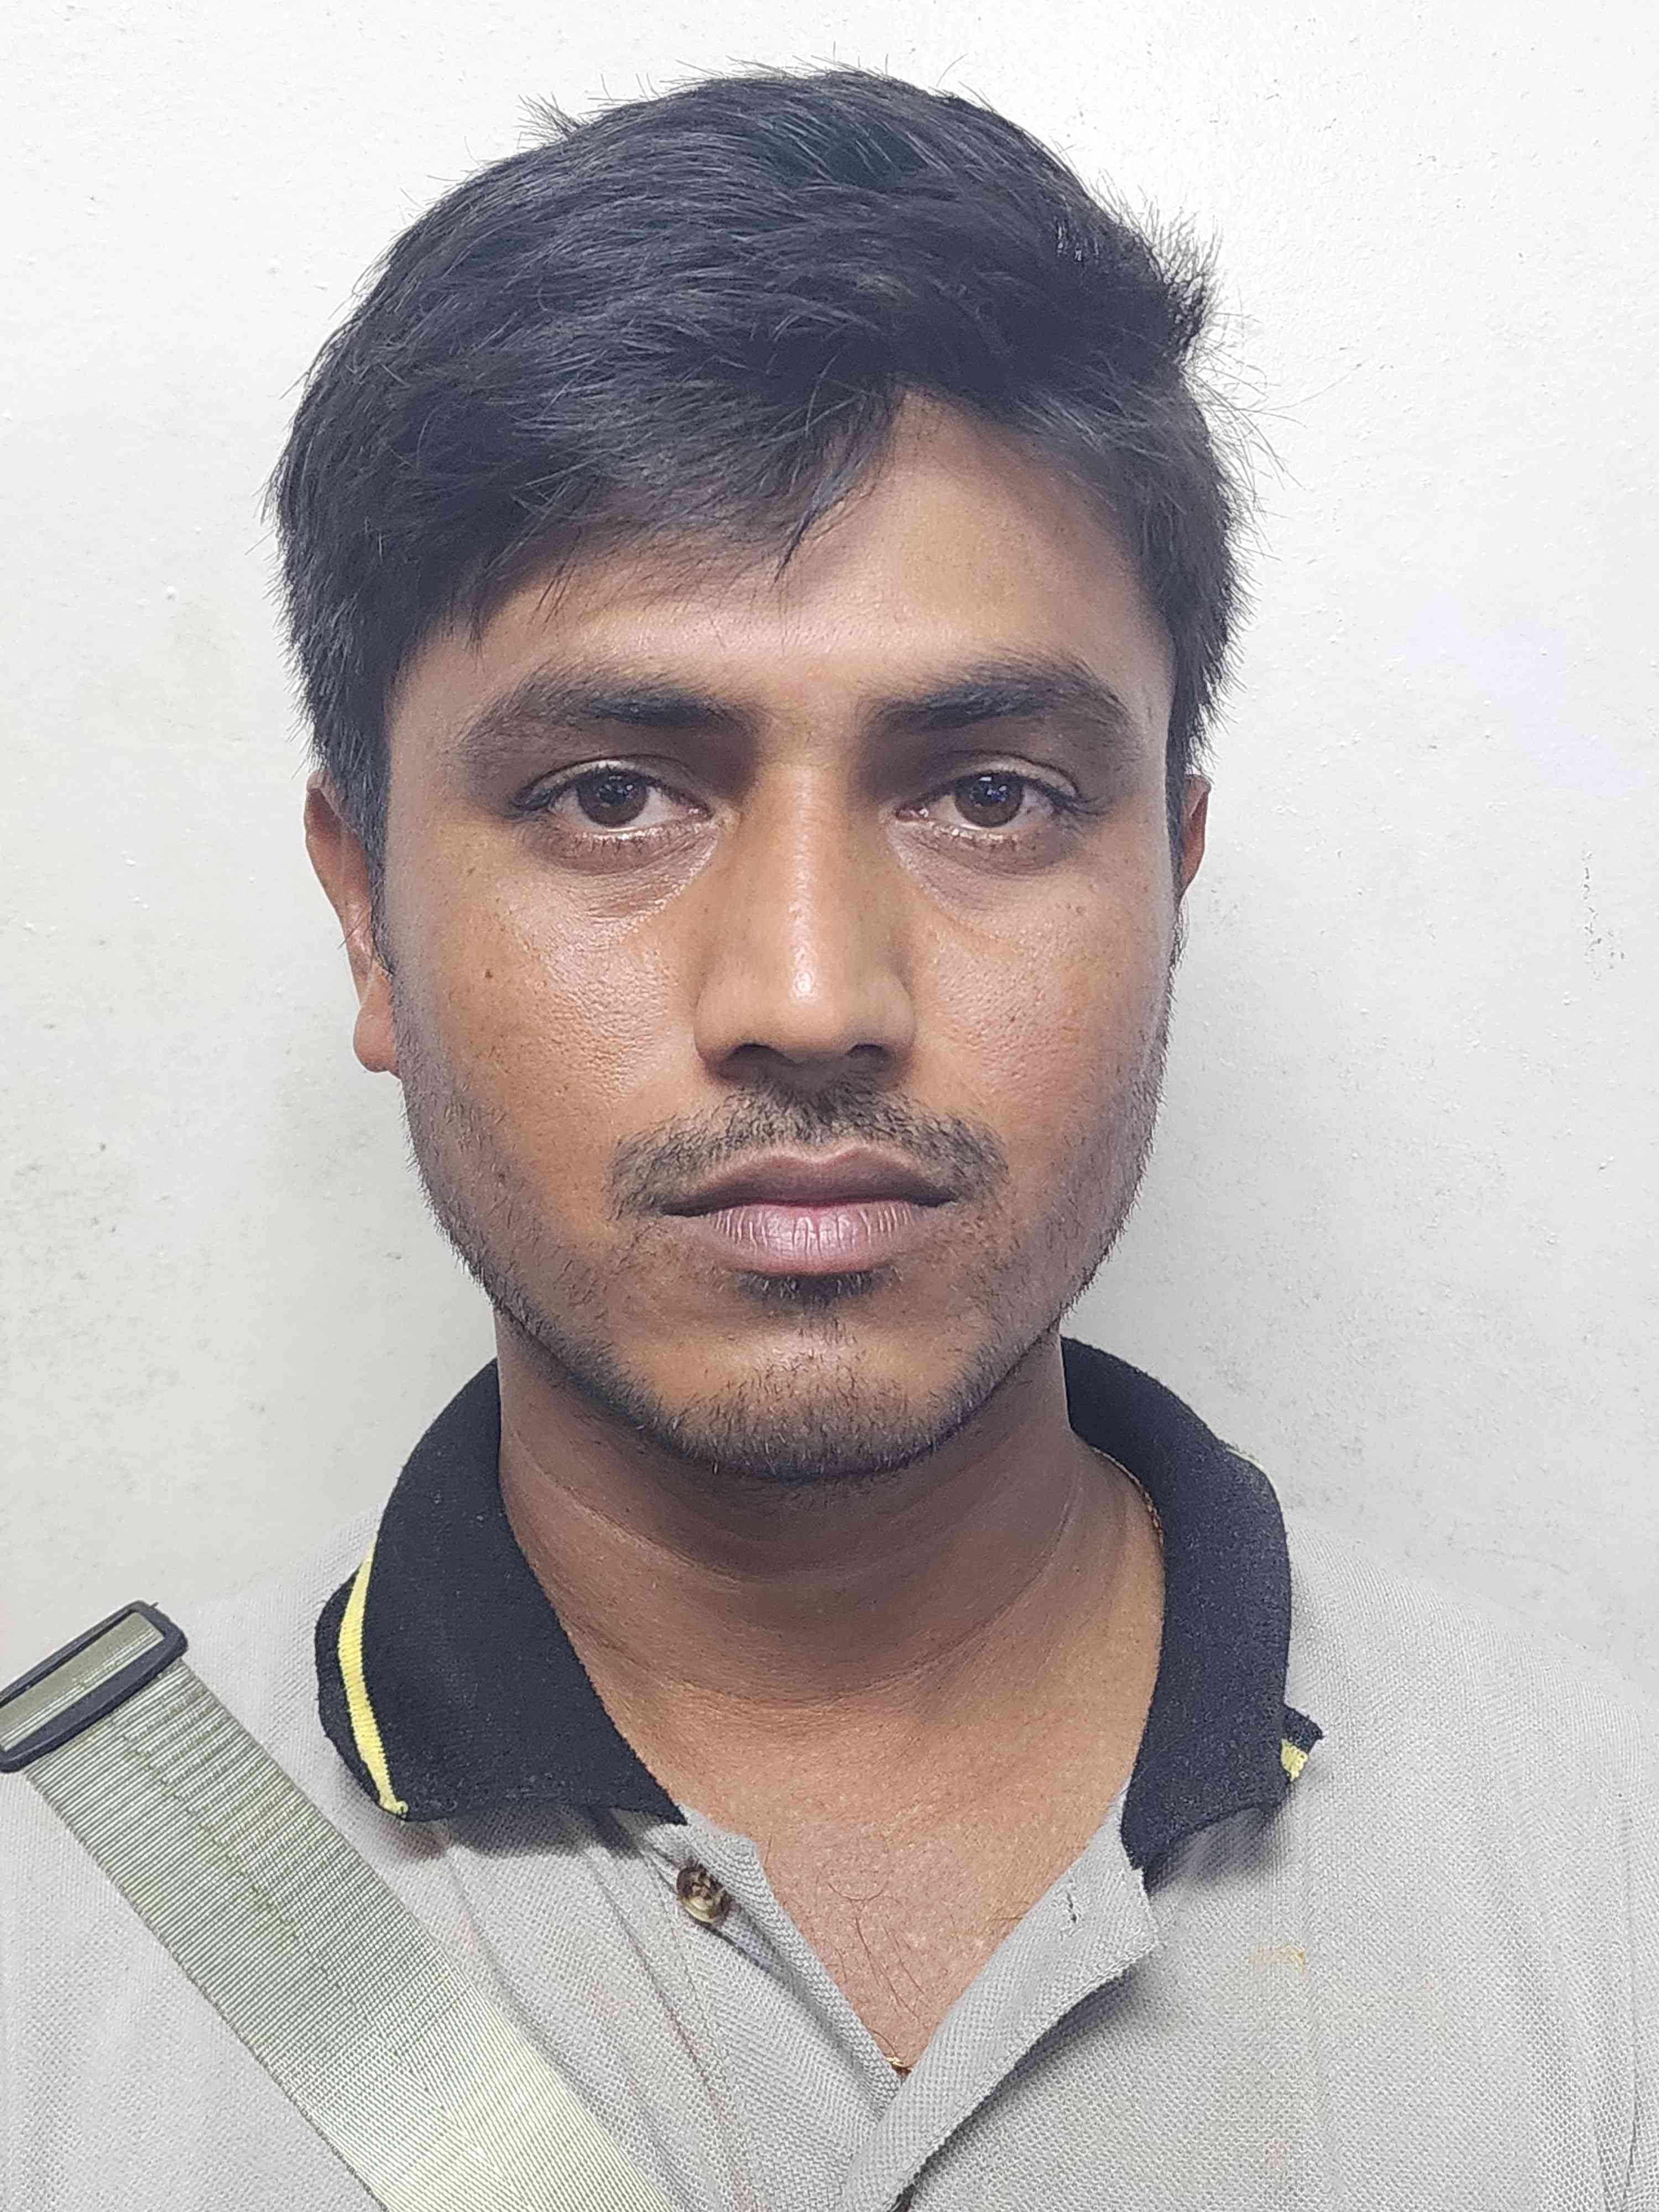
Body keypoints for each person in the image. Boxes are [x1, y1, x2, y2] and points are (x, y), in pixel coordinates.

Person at [2, 61, 1653, 2212]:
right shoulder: (53, 1950)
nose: (806, 993)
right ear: (369, 916)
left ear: (1171, 882)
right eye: (613, 794)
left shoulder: (1607, 1876)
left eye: (990, 794)